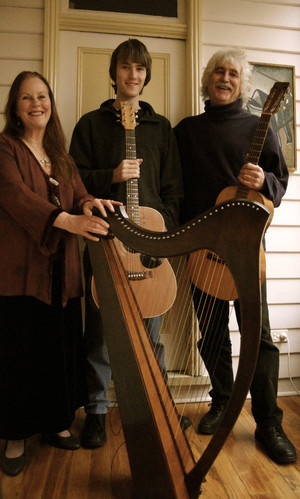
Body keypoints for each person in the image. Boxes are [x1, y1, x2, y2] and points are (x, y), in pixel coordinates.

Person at [174, 49, 297, 465]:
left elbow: (279, 181)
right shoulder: (186, 131)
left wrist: (264, 178)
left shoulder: (259, 128)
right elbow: (174, 188)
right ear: (208, 79)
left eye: (232, 74)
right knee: (210, 334)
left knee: (259, 338)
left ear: (242, 84)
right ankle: (222, 401)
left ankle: (269, 422)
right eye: (218, 72)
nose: (224, 78)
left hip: (246, 253)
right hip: (202, 250)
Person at [69, 38, 187, 449]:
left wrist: (159, 227)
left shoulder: (161, 128)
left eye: (139, 69)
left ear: (146, 75)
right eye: (125, 67)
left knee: (152, 334)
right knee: (101, 332)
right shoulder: (90, 124)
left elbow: (174, 191)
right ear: (114, 72)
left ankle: (157, 409)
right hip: (106, 241)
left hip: (150, 245)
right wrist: (111, 176)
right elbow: (74, 183)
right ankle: (97, 412)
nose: (132, 75)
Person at [0, 71, 119, 477]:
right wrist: (66, 220)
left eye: (43, 96)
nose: (37, 104)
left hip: (62, 276)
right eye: (27, 98)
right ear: (14, 108)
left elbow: (78, 192)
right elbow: (15, 197)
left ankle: (53, 423)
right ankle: (15, 435)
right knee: (19, 357)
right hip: (20, 275)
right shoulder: (5, 147)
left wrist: (89, 203)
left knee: (57, 353)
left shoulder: (60, 154)